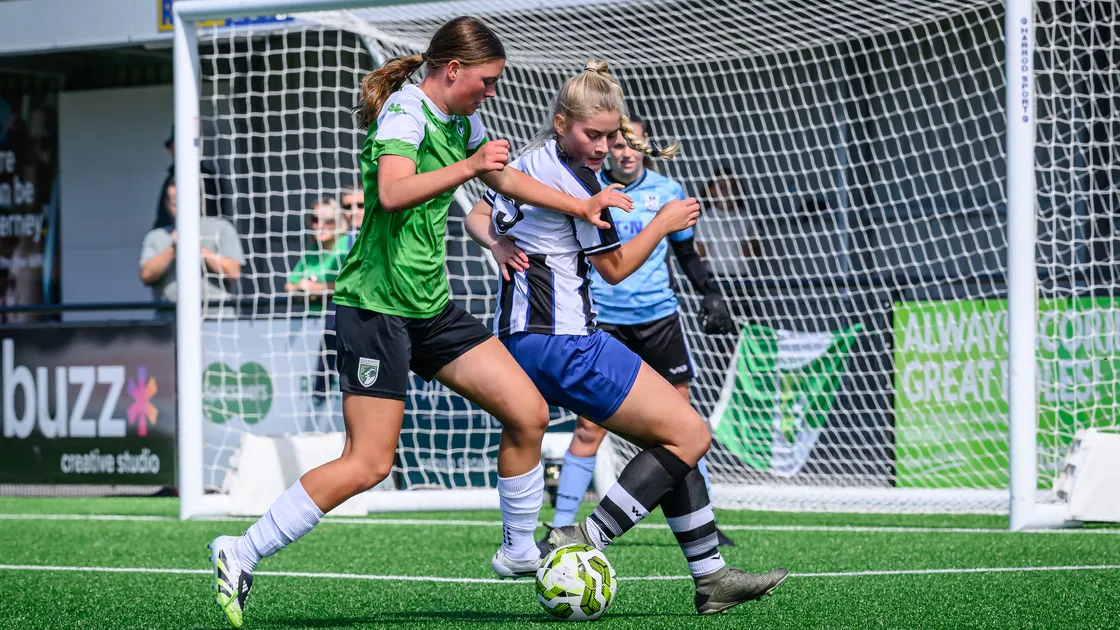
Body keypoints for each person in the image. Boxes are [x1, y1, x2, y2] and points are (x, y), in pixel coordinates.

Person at [205, 17, 634, 629]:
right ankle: (239, 550)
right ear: (453, 70)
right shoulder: (405, 114)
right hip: (374, 307)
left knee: (528, 411)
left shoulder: (462, 119)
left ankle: (517, 551)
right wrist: (468, 166)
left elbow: (501, 175)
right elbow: (391, 192)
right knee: (368, 463)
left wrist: (583, 204)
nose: (492, 93)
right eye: (486, 82)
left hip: (429, 306)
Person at [465, 60, 787, 616]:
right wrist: (662, 223)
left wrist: (493, 244)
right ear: (562, 123)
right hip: (566, 342)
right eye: (593, 134)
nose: (604, 146)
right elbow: (615, 269)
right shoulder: (581, 183)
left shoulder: (528, 161)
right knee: (690, 434)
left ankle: (712, 577)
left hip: (527, 339)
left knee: (673, 437)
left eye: (611, 135)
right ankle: (584, 537)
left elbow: (478, 213)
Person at [546, 114, 739, 547]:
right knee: (589, 427)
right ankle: (559, 524)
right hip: (605, 321)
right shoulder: (592, 191)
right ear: (609, 147)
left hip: (658, 319)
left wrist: (711, 293)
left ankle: (703, 521)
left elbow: (687, 254)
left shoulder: (668, 193)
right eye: (618, 144)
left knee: (684, 420)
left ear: (646, 146)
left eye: (634, 144)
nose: (626, 152)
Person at [139, 181, 244, 320]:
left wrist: (200, 250)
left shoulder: (221, 228)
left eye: (186, 201)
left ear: (199, 199)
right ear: (166, 203)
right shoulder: (156, 236)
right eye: (176, 204)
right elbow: (146, 275)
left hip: (218, 322)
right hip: (169, 322)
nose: (181, 208)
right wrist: (173, 250)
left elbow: (233, 272)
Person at [286, 197, 352, 402]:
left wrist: (321, 288)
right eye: (315, 219)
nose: (320, 226)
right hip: (310, 331)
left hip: (339, 326)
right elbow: (289, 285)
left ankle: (323, 391)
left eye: (328, 221)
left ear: (339, 222)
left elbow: (352, 283)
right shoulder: (313, 250)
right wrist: (304, 287)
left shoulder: (347, 244)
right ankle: (319, 393)